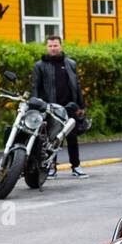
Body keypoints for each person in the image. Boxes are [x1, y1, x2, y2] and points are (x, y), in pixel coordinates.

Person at [30, 34, 86, 177]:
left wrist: (81, 106)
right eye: (50, 46)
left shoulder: (70, 64)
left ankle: (76, 166)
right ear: (46, 47)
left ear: (60, 46)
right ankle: (51, 168)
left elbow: (76, 86)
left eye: (55, 45)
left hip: (69, 108)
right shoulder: (39, 66)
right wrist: (35, 106)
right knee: (51, 139)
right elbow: (35, 87)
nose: (53, 48)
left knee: (72, 139)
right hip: (51, 109)